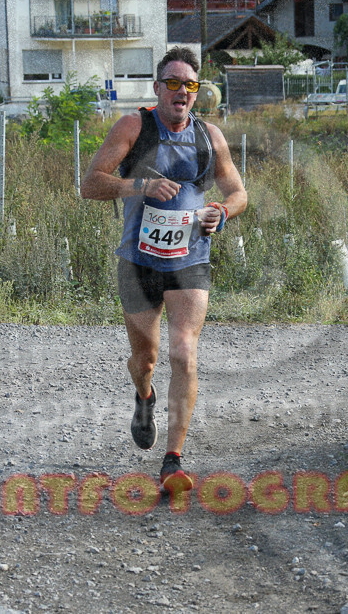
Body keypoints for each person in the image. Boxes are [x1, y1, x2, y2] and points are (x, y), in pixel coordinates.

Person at [80, 47, 247, 492]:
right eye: (172, 83)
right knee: (146, 358)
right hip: (138, 262)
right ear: (157, 88)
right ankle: (144, 394)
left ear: (198, 93)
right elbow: (90, 183)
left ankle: (172, 462)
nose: (181, 92)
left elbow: (238, 192)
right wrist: (141, 185)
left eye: (189, 85)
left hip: (190, 261)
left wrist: (222, 213)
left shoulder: (210, 136)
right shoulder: (135, 126)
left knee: (183, 353)